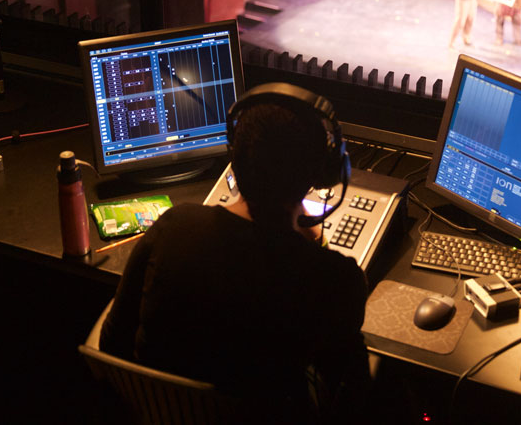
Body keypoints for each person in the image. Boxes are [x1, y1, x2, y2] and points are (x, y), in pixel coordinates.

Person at [100, 84, 369, 422]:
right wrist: (317, 246)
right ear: (324, 173)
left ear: (235, 158)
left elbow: (112, 343)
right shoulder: (334, 279)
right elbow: (350, 389)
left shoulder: (175, 226)